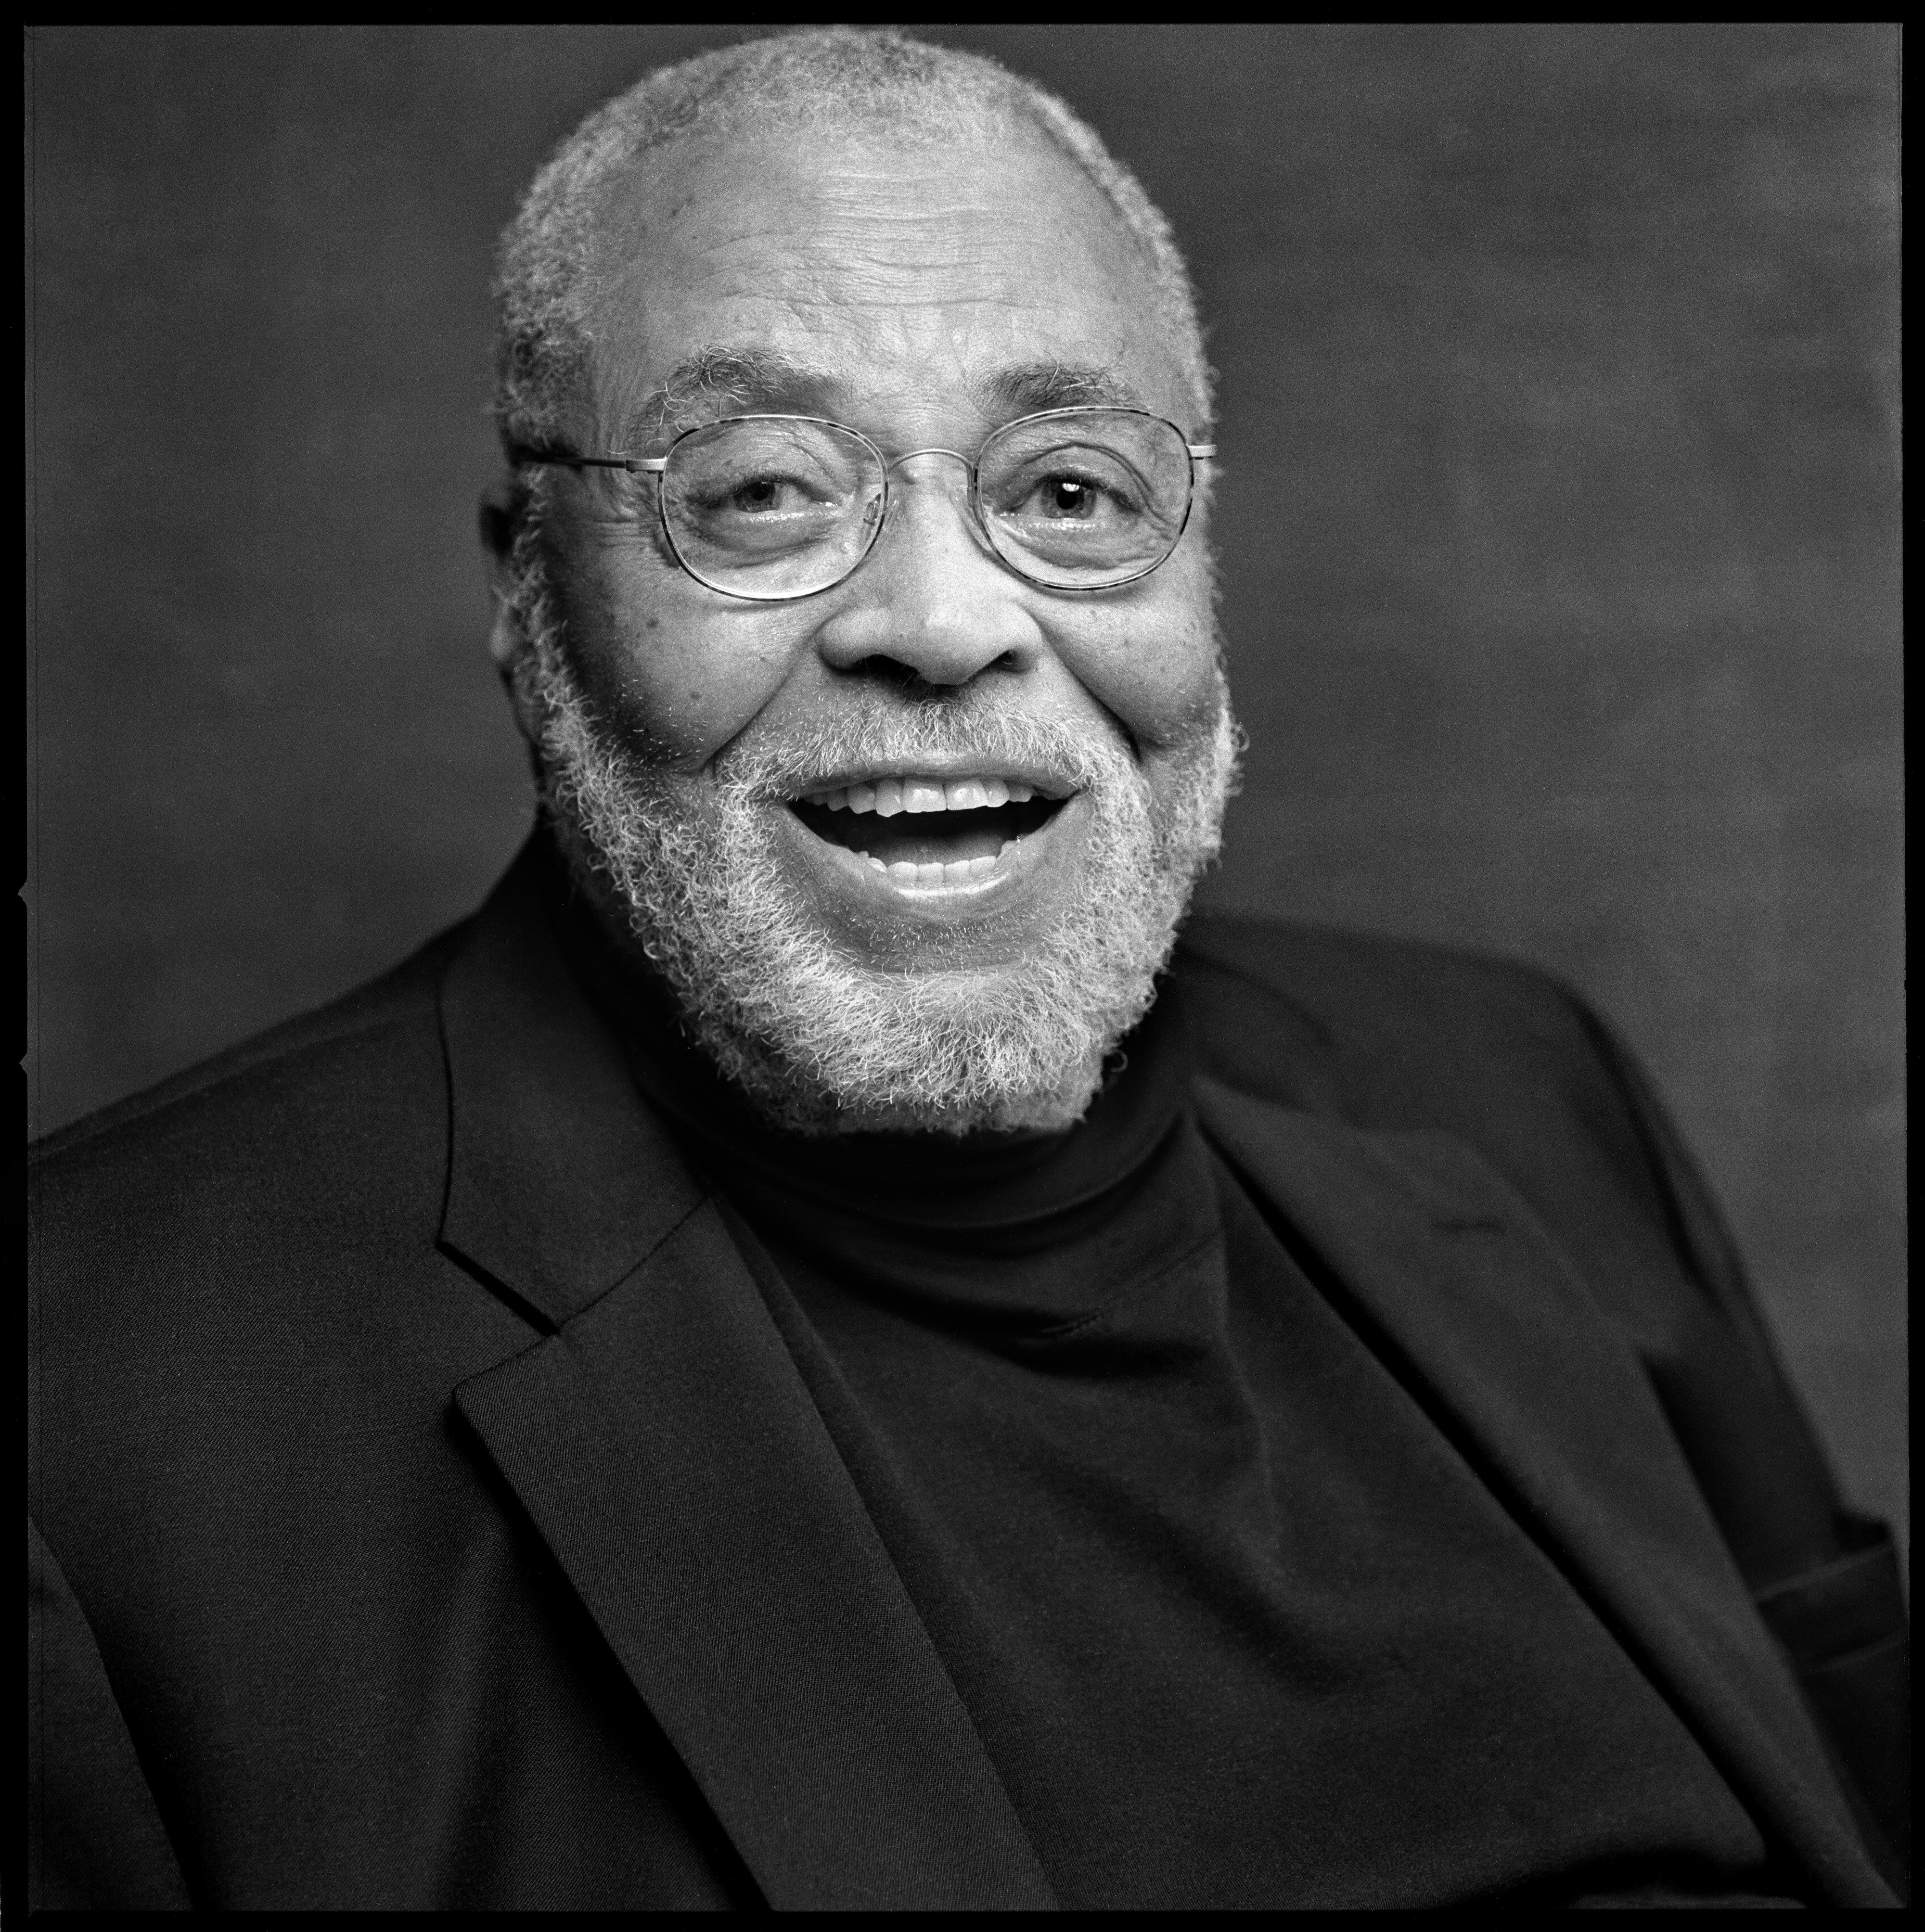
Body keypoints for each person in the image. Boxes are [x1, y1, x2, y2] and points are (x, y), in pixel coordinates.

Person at [27, 27, 1906, 1911]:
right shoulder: (102, 1412)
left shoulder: (1516, 1088)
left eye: (1070, 490)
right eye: (760, 492)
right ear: (526, 592)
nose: (941, 624)